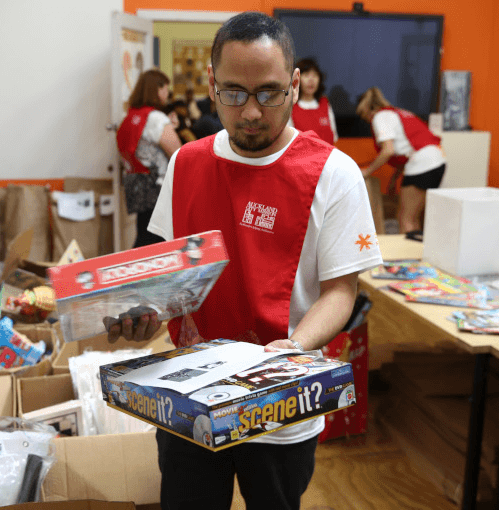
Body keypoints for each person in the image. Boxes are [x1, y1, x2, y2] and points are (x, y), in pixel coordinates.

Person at [108, 11, 383, 510]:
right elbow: (176, 278)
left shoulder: (334, 173)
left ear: (295, 85)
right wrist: (144, 313)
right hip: (188, 398)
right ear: (212, 84)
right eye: (234, 93)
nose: (251, 112)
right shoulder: (186, 162)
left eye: (269, 93)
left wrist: (292, 347)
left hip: (280, 404)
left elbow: (342, 291)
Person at [355, 86, 445, 234]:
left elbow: (388, 150)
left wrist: (367, 171)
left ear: (366, 110)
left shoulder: (380, 117)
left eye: (363, 116)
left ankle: (406, 256)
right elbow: (405, 149)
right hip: (437, 161)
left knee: (405, 218)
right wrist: (393, 181)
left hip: (422, 164)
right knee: (413, 218)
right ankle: (415, 253)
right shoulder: (397, 113)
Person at [116, 69, 182, 247]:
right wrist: (170, 127)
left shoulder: (133, 116)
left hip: (137, 184)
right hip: (156, 186)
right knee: (153, 240)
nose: (167, 93)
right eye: (165, 88)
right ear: (157, 89)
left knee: (145, 233)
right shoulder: (155, 118)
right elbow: (178, 152)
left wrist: (169, 126)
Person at [287, 58, 338, 145]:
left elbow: (335, 137)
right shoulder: (290, 106)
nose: (311, 80)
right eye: (306, 75)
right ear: (296, 80)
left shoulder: (324, 102)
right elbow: (287, 141)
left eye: (315, 75)